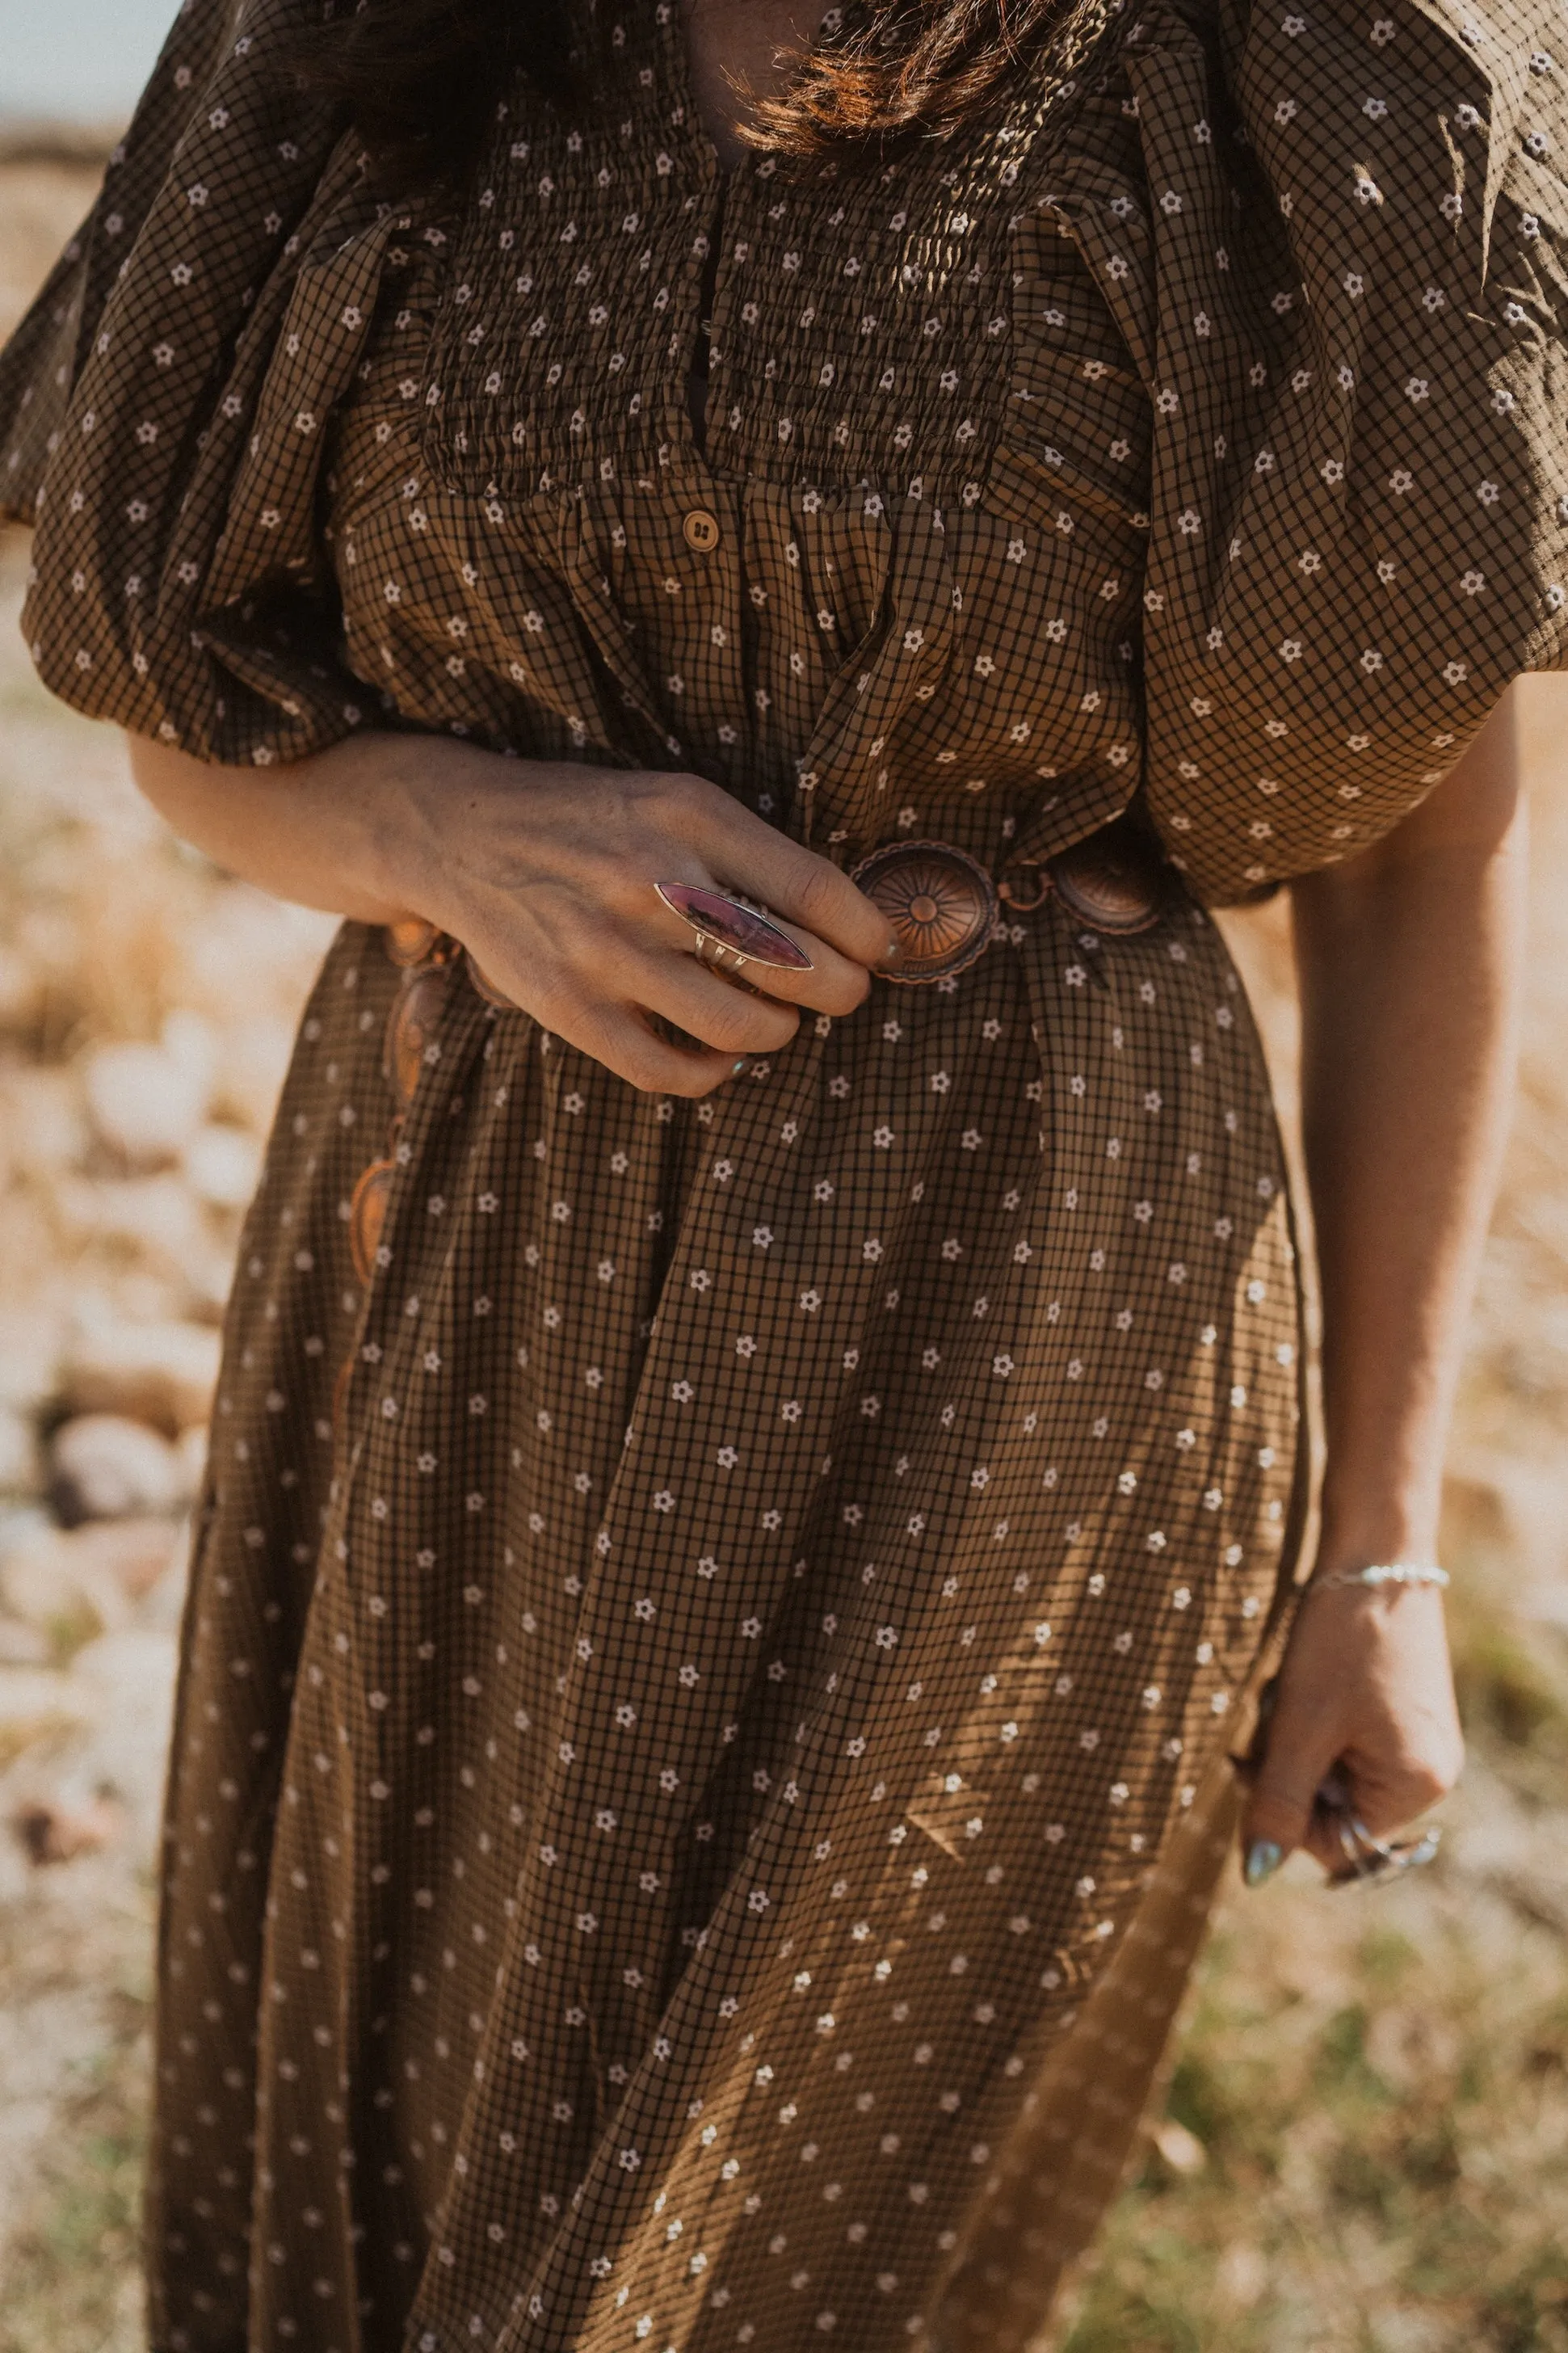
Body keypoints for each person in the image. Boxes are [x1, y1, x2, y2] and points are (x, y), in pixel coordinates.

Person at [1, 0, 1557, 2343]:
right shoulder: (364, 43)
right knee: (389, 2214)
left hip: (1015, 1331)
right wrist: (439, 829)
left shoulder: (1283, 68)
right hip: (450, 1310)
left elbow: (1426, 857)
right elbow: (185, 730)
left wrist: (1379, 1558)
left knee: (746, 2264)